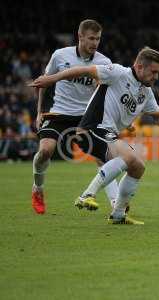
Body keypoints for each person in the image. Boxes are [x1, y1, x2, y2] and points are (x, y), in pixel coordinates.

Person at [30, 47, 159, 224]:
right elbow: (83, 70)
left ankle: (118, 214)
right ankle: (87, 195)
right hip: (91, 129)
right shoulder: (118, 72)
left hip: (108, 134)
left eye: (158, 73)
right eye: (153, 72)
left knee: (138, 167)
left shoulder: (146, 93)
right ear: (139, 66)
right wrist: (52, 78)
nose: (156, 77)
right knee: (129, 156)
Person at [32, 19, 119, 214]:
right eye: (91, 38)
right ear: (80, 36)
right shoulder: (60, 55)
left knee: (104, 157)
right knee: (46, 151)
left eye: (98, 39)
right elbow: (43, 83)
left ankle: (115, 203)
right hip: (59, 112)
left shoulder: (104, 62)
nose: (95, 43)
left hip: (86, 116)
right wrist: (39, 112)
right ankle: (37, 188)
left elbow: (109, 93)